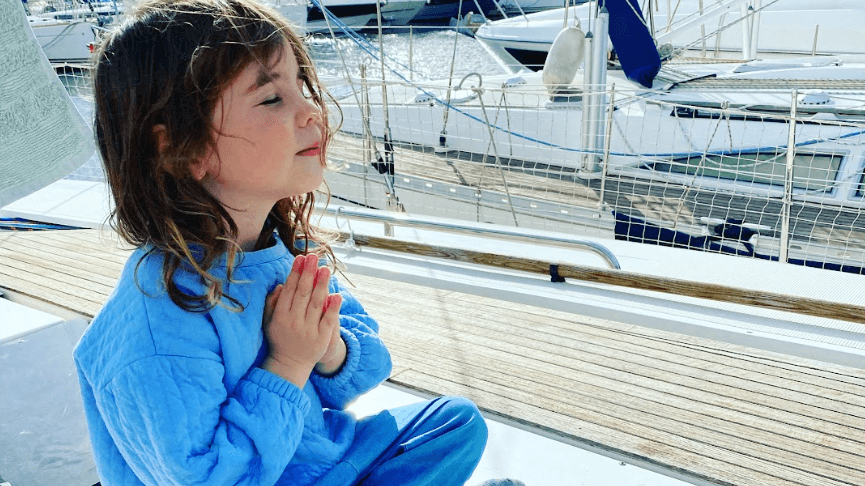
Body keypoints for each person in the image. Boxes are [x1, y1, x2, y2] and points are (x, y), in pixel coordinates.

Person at [72, 0, 493, 484]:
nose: (311, 110)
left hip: (323, 462)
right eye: (272, 98)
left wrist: (326, 347)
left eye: (302, 86)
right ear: (180, 150)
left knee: (456, 421)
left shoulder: (279, 250)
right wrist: (288, 362)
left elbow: (369, 367)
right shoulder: (158, 317)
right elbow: (208, 478)